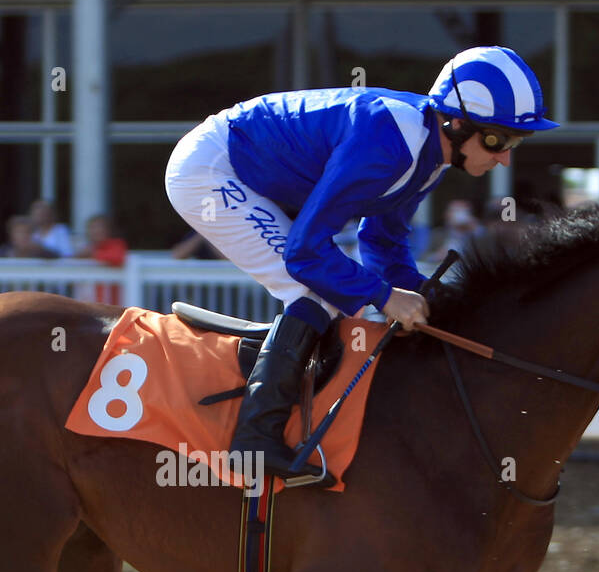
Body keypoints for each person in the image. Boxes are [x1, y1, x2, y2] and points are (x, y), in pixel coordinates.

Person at [164, 45, 557, 485]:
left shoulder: (429, 153)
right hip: (211, 170)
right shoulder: (389, 144)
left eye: (514, 143)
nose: (504, 157)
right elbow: (305, 252)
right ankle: (255, 435)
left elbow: (380, 242)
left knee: (333, 290)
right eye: (497, 140)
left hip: (250, 171)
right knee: (314, 290)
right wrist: (386, 297)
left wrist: (431, 296)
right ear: (457, 122)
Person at [77, 213, 128, 303]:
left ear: (108, 230)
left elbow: (117, 257)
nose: (95, 231)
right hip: (91, 299)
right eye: (92, 228)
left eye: (99, 227)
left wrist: (94, 254)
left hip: (112, 300)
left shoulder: (116, 244)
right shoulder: (86, 248)